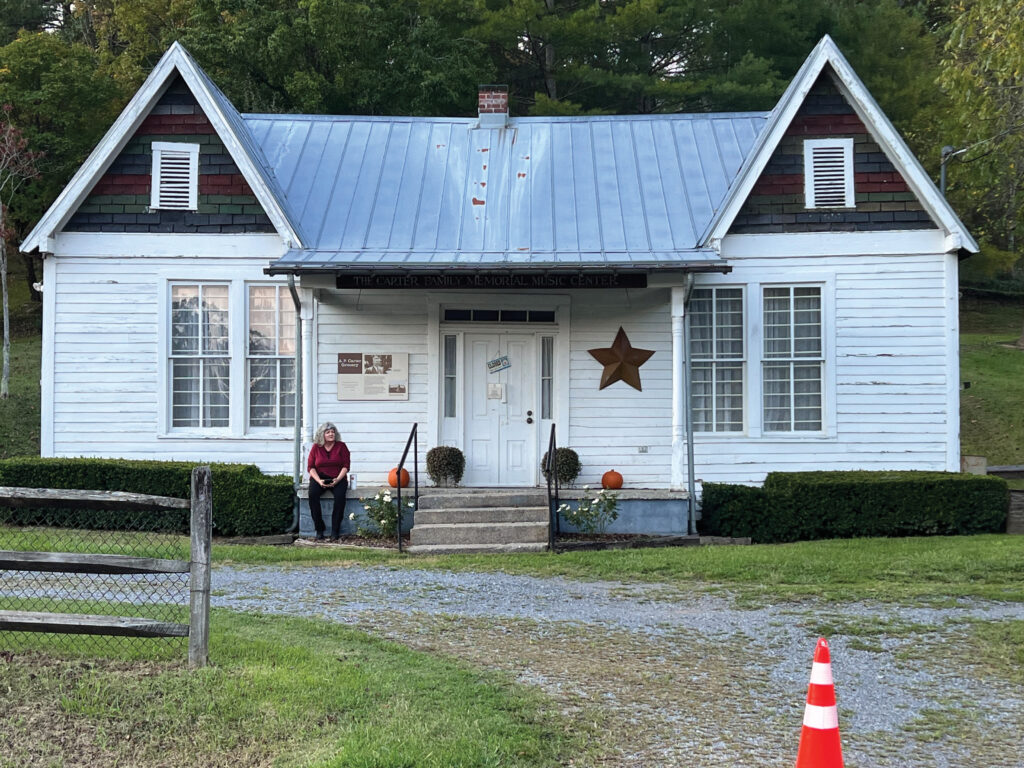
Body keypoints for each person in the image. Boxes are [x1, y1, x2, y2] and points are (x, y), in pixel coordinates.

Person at [307, 422, 350, 541]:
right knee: (312, 494)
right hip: (320, 477)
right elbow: (310, 467)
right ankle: (319, 529)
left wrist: (337, 480)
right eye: (328, 432)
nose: (331, 434)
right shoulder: (316, 447)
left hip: (338, 478)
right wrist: (319, 481)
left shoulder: (341, 446)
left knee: (340, 497)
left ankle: (335, 531)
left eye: (333, 432)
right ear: (322, 435)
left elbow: (346, 466)